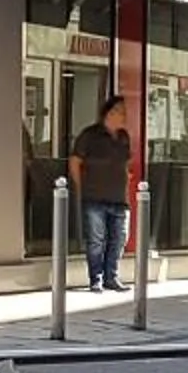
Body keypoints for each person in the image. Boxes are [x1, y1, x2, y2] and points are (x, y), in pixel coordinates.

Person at [68, 93, 132, 293]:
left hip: (119, 198)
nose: (124, 116)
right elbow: (75, 162)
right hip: (94, 197)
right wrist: (81, 186)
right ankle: (96, 278)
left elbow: (125, 165)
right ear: (110, 113)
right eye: (121, 112)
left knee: (119, 238)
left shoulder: (123, 137)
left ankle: (111, 277)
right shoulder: (90, 135)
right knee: (96, 240)